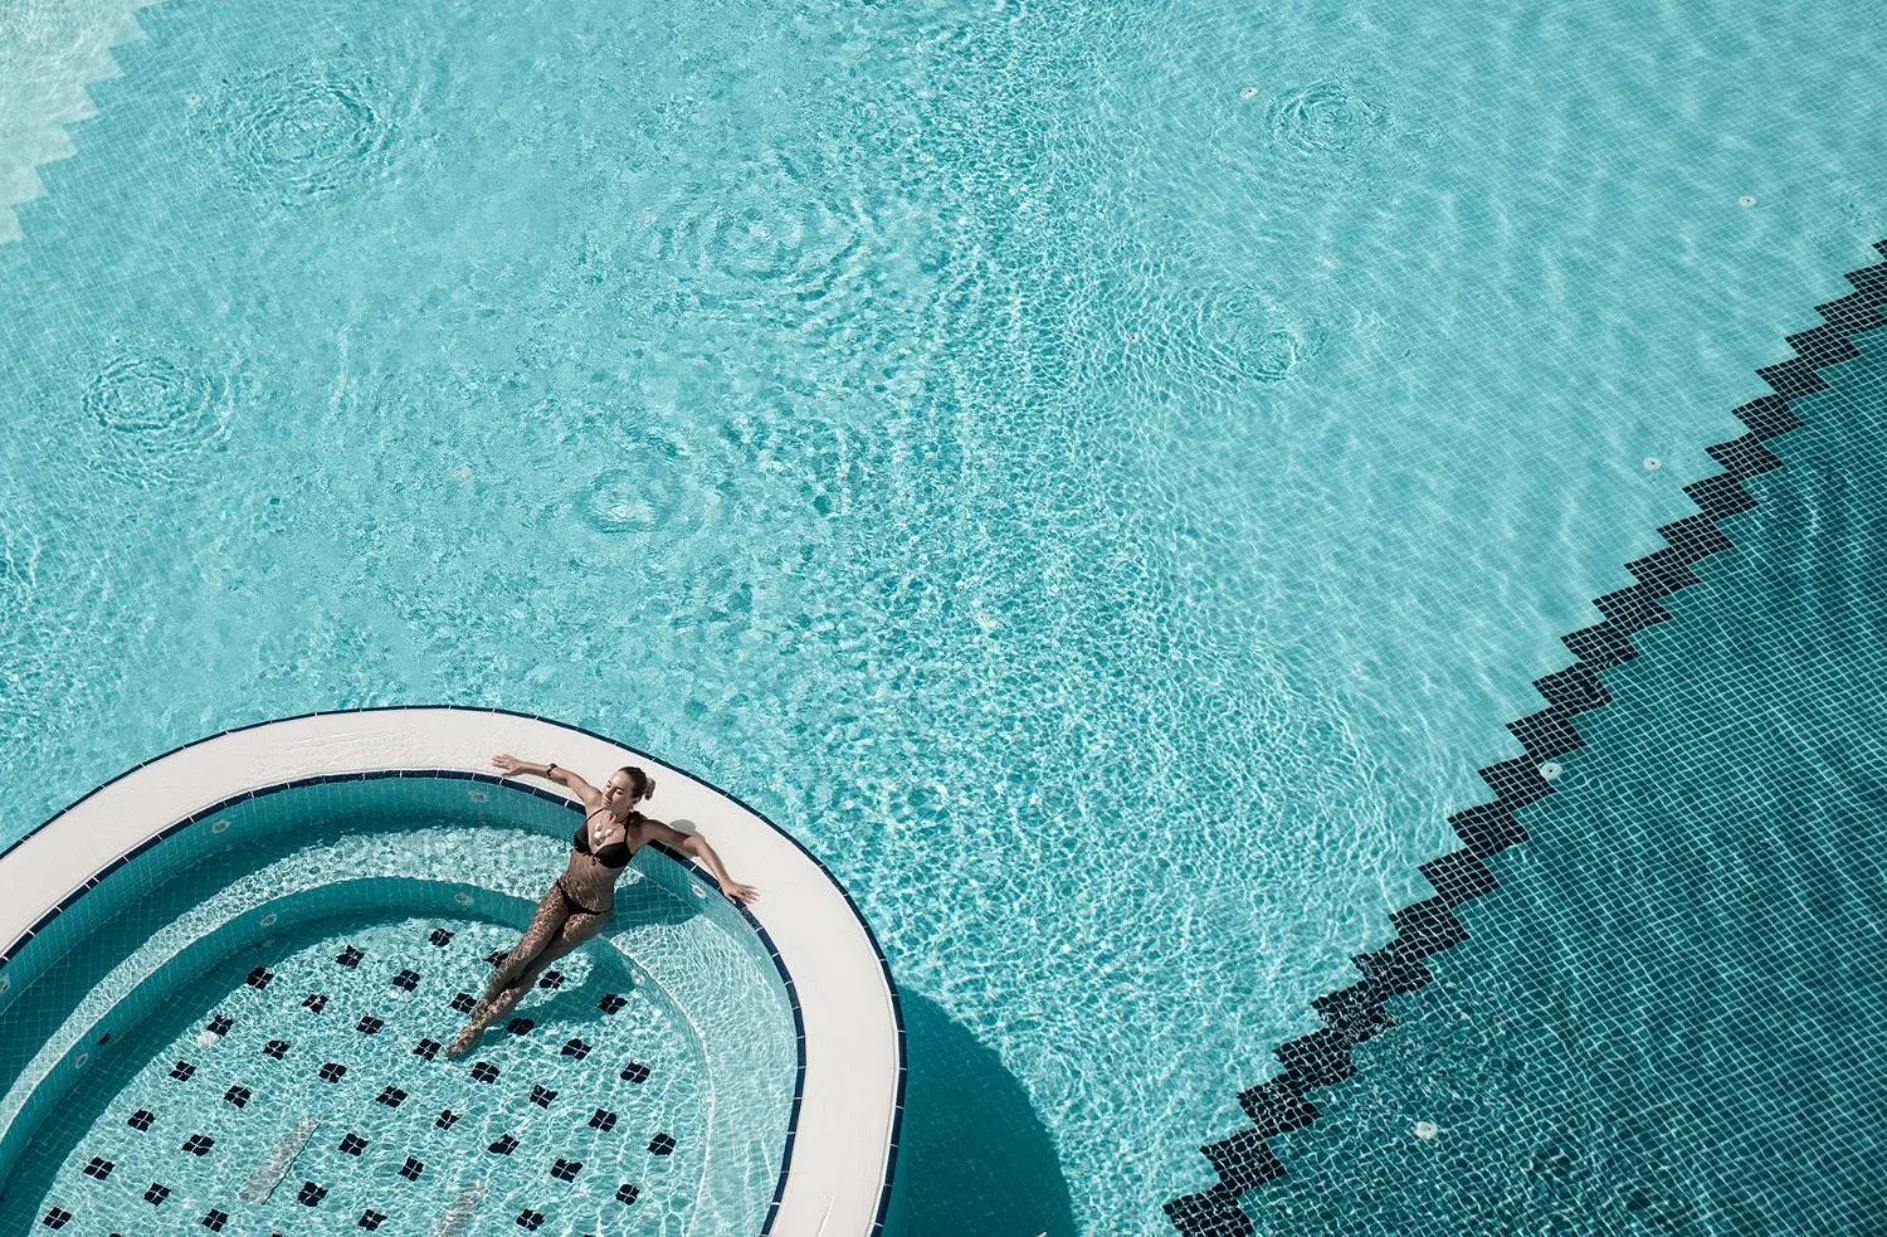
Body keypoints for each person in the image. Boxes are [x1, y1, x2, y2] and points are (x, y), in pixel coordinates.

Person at [444, 753, 759, 1057]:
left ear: (633, 800)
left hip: (591, 912)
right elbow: (567, 777)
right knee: (525, 951)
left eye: (618, 790)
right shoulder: (594, 803)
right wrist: (522, 766)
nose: (608, 791)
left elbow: (692, 842)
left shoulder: (640, 830)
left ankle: (478, 1026)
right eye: (609, 784)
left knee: (538, 964)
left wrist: (725, 881)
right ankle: (486, 999)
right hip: (562, 892)